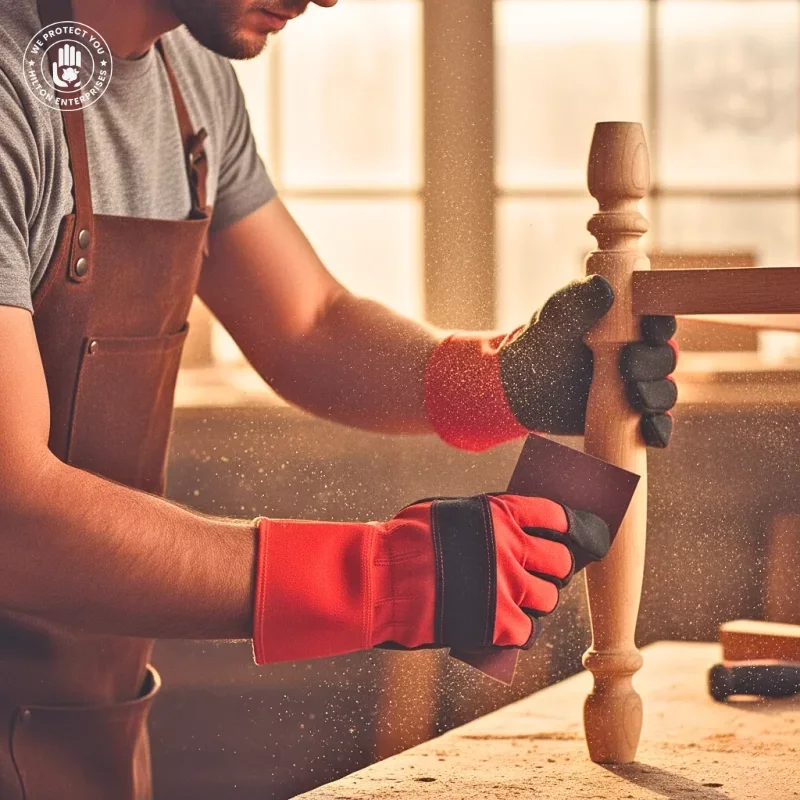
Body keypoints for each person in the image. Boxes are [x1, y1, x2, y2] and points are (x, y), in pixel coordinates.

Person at [0, 0, 678, 796]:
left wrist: (499, 377)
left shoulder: (193, 76)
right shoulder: (15, 94)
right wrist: (380, 579)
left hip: (83, 722)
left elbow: (308, 325)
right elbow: (13, 517)